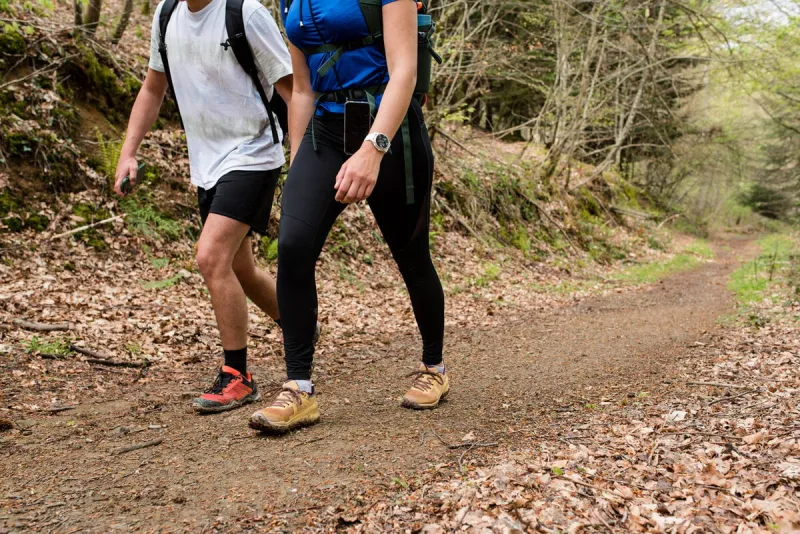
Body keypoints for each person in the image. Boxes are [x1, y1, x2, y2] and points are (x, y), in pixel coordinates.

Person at [248, 0, 448, 433]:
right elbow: (302, 89)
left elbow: (405, 73)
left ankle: (435, 366)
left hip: (391, 130)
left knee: (412, 257)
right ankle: (298, 387)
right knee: (294, 246)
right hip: (327, 128)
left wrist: (373, 150)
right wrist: (299, 164)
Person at [114, 0, 294, 413]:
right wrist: (128, 153)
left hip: (253, 154)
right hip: (207, 163)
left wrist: (303, 156)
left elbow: (292, 88)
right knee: (240, 268)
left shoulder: (245, 13)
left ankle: (237, 376)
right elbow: (152, 87)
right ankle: (300, 328)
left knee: (211, 257)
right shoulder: (167, 14)